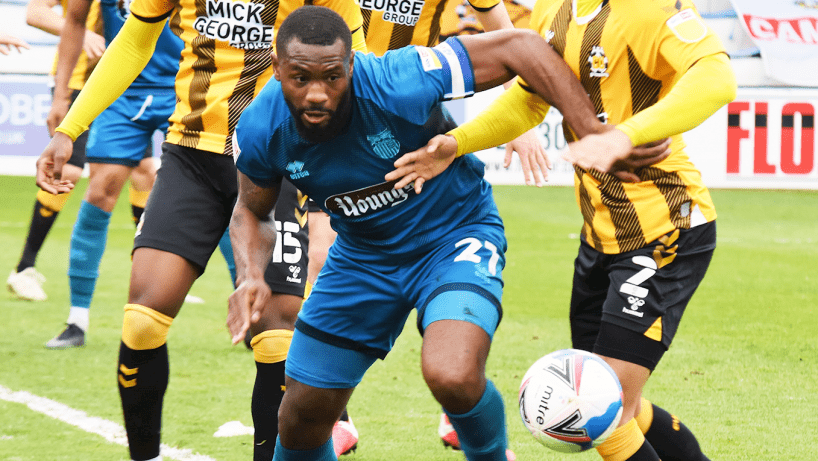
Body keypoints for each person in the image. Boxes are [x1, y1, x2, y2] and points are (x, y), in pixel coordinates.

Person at [226, 6, 645, 461]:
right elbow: (251, 210)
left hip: (453, 235)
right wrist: (251, 274)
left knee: (452, 374)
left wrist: (587, 127)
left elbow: (522, 46)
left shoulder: (397, 80)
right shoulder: (261, 126)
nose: (316, 94)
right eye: (299, 78)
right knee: (301, 415)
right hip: (362, 257)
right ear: (276, 70)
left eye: (331, 77)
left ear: (351, 65)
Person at [388, 1, 737, 460]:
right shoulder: (553, 8)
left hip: (664, 229)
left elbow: (718, 77)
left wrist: (624, 135)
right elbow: (530, 97)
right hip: (600, 236)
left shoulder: (647, 8)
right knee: (607, 401)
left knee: (605, 409)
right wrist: (456, 144)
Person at [33, 0, 365, 459]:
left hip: (282, 160)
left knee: (275, 338)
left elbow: (356, 64)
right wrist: (71, 126)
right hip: (192, 153)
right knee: (142, 320)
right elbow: (133, 41)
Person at [312, 0, 549, 454]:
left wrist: (519, 103)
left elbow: (501, 27)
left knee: (441, 268)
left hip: (409, 116)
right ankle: (336, 416)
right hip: (336, 120)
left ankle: (457, 397)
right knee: (320, 252)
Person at [42, 0, 183, 349]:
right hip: (122, 91)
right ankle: (77, 320)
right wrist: (62, 96)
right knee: (100, 190)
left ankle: (253, 316)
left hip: (187, 85)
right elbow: (75, 20)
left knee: (218, 189)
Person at [7, 0, 154, 303]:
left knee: (144, 173)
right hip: (81, 84)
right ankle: (24, 268)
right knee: (69, 170)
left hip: (129, 88)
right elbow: (35, 12)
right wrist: (83, 33)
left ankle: (149, 275)